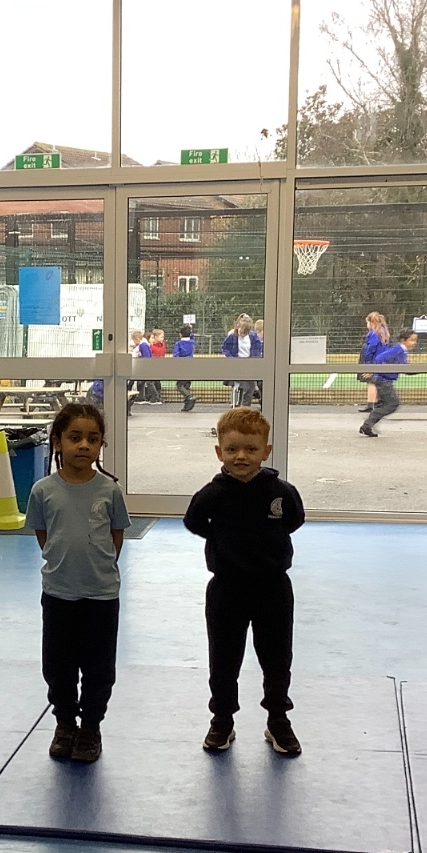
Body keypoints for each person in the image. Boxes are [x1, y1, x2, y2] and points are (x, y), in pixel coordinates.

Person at [183, 407, 306, 755]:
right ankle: (222, 719)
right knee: (223, 658)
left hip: (273, 588)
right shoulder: (212, 494)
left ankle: (278, 720)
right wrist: (220, 539)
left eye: (251, 449)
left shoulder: (281, 492)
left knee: (277, 658)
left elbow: (294, 520)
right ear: (219, 451)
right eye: (233, 449)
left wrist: (267, 542)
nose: (241, 456)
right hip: (227, 589)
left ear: (266, 451)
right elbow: (193, 521)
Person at [24, 402, 130, 765]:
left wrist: (99, 566)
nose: (84, 445)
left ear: (101, 445)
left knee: (99, 668)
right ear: (57, 442)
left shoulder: (109, 491)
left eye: (93, 439)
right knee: (58, 666)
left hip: (101, 595)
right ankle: (65, 724)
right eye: (75, 437)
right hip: (59, 593)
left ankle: (90, 727)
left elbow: (116, 534)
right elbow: (43, 533)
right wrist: (62, 560)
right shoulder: (43, 490)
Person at [359, 329, 416, 436]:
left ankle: (368, 425)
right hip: (382, 380)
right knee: (392, 404)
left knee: (384, 404)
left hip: (384, 379)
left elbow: (403, 367)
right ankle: (367, 424)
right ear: (403, 340)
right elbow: (380, 358)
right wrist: (373, 369)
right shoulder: (398, 349)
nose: (414, 343)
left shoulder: (401, 350)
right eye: (412, 340)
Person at [357, 312, 389, 413]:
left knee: (371, 382)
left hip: (373, 360)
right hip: (381, 360)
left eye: (367, 322)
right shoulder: (384, 332)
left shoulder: (373, 333)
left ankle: (371, 404)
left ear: (371, 323)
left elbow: (371, 348)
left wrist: (368, 363)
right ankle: (379, 402)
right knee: (378, 381)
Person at [222, 314, 256, 407]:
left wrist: (254, 359)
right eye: (241, 331)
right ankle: (235, 405)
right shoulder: (232, 336)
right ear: (238, 327)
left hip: (249, 364)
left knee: (250, 387)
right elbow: (225, 348)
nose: (242, 334)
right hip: (236, 364)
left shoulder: (253, 337)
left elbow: (257, 348)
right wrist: (231, 358)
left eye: (245, 333)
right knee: (238, 386)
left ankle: (245, 407)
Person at [172, 323, 197, 411]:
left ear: (180, 334)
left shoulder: (178, 343)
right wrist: (190, 329)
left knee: (179, 385)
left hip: (182, 366)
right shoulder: (192, 342)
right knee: (187, 385)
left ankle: (189, 397)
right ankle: (187, 405)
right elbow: (192, 337)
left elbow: (176, 355)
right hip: (190, 365)